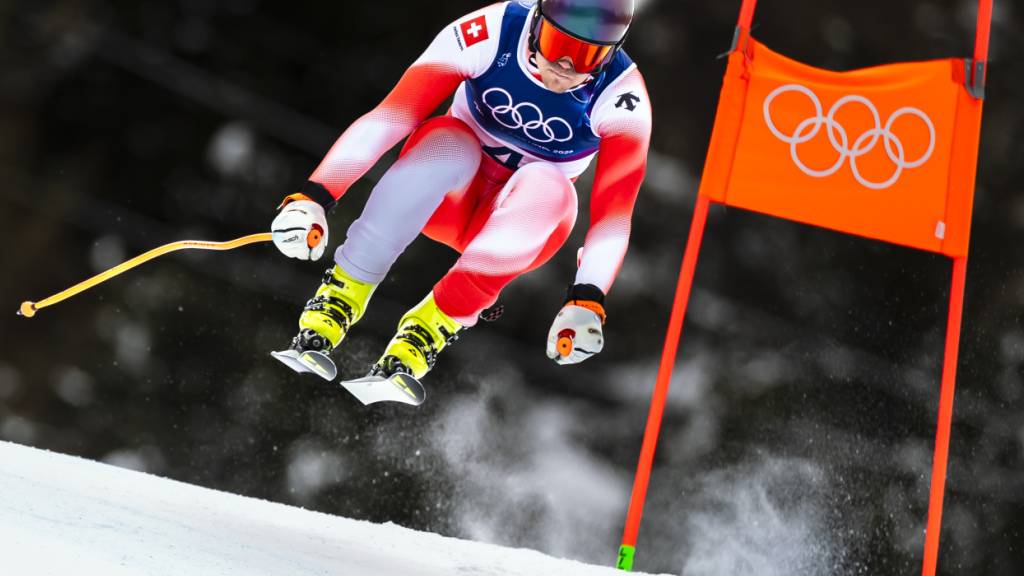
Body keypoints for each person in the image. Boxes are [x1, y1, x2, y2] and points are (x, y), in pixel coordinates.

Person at [271, 0, 651, 383]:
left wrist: (587, 298)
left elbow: (614, 214)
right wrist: (313, 197)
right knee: (448, 140)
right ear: (536, 22)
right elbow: (393, 115)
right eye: (556, 44)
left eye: (587, 56)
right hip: (445, 199)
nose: (564, 67)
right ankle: (341, 294)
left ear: (612, 52)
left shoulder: (621, 94)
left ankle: (430, 329)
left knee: (551, 187)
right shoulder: (493, 30)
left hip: (520, 228)